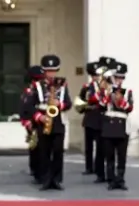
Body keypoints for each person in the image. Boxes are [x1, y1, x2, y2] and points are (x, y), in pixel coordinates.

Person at [24, 54, 72, 190]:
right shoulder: (37, 86)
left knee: (58, 151)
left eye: (53, 71)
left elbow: (68, 103)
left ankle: (56, 179)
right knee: (43, 151)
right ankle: (45, 179)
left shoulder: (62, 85)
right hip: (43, 121)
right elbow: (29, 106)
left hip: (58, 121)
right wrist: (39, 117)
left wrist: (59, 104)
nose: (51, 74)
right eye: (48, 71)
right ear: (44, 71)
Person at [96, 62, 133, 190]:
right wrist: (107, 95)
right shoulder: (106, 90)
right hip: (108, 125)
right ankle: (111, 179)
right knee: (109, 155)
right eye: (116, 77)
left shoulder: (128, 91)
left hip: (122, 126)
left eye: (121, 77)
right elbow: (100, 106)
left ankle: (120, 179)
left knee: (121, 156)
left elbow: (130, 108)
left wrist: (121, 100)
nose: (118, 80)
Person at [20, 65, 45, 184]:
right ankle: (35, 171)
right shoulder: (28, 92)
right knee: (34, 147)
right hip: (32, 122)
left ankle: (43, 171)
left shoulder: (43, 90)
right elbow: (24, 109)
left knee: (43, 148)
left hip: (42, 121)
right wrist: (26, 122)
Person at [77, 61, 101, 176]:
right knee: (89, 146)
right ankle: (88, 167)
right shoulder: (86, 88)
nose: (96, 77)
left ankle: (98, 166)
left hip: (101, 119)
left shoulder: (104, 87)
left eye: (98, 75)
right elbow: (79, 103)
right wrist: (84, 106)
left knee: (100, 146)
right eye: (94, 75)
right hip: (89, 118)